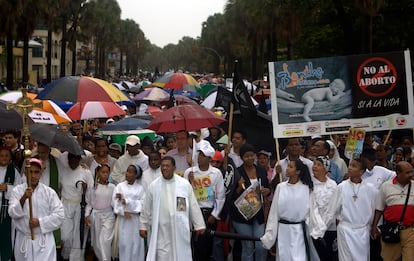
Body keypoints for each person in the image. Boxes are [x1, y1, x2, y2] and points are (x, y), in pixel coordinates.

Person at [139, 156, 206, 261]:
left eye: (167, 166)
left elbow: (193, 204)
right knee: (162, 255)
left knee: (181, 255)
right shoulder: (154, 185)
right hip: (162, 230)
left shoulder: (184, 184)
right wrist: (143, 225)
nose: (164, 168)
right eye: (163, 166)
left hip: (180, 227)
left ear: (174, 168)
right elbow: (146, 207)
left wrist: (199, 224)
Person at [261, 158, 319, 261]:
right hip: (283, 231)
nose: (287, 169)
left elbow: (312, 211)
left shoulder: (306, 189)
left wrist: (317, 228)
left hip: (299, 231)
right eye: (288, 166)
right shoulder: (280, 187)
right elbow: (274, 213)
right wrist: (270, 234)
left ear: (298, 172)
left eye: (291, 167)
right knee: (284, 257)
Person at [8, 158, 64, 261]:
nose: (33, 175)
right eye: (30, 172)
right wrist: (24, 198)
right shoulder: (17, 191)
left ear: (41, 173)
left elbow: (59, 215)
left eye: (36, 172)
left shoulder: (49, 192)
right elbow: (12, 212)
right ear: (25, 172)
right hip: (24, 241)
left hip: (43, 243)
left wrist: (40, 222)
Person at [184, 142, 225, 261]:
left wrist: (214, 214)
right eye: (199, 155)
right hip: (194, 211)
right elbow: (184, 193)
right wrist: (190, 181)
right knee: (195, 244)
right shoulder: (189, 172)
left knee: (207, 245)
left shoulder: (216, 173)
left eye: (203, 156)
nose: (200, 158)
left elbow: (220, 197)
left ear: (209, 158)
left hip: (209, 213)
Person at [331, 158, 378, 261]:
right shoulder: (341, 187)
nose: (350, 168)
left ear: (361, 171)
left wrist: (372, 227)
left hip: (362, 230)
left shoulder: (370, 189)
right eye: (350, 165)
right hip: (345, 228)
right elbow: (334, 208)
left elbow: (373, 208)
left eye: (354, 166)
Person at [230, 143, 270, 261]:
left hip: (259, 215)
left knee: (260, 246)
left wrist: (266, 191)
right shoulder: (237, 172)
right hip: (242, 216)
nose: (250, 158)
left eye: (252, 155)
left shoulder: (261, 171)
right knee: (247, 246)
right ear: (242, 158)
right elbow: (231, 196)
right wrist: (238, 187)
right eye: (247, 156)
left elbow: (268, 188)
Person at [371, 161, 414, 261]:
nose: (411, 175)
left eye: (411, 172)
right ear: (398, 173)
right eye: (407, 172)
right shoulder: (386, 186)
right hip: (391, 230)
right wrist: (374, 227)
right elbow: (379, 208)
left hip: (410, 231)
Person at [59, 152, 94, 261]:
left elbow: (91, 192)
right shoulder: (63, 170)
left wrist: (85, 189)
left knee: (78, 235)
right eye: (71, 159)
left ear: (79, 160)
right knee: (65, 235)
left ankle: (76, 258)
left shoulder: (85, 172)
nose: (73, 162)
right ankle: (66, 255)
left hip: (79, 206)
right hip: (65, 204)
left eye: (75, 160)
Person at [112, 164, 146, 261]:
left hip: (135, 220)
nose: (127, 174)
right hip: (123, 220)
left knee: (136, 244)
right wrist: (123, 211)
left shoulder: (140, 188)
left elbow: (142, 203)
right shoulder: (120, 186)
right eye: (127, 171)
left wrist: (128, 202)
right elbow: (115, 203)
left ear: (136, 175)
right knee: (124, 243)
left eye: (131, 172)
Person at [310, 156, 338, 261]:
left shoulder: (332, 185)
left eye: (319, 165)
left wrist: (322, 227)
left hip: (329, 227)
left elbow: (332, 209)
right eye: (314, 164)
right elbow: (311, 207)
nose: (315, 167)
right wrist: (317, 227)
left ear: (325, 168)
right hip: (313, 228)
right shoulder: (309, 183)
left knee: (327, 256)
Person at [85, 164, 115, 261]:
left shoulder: (112, 187)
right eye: (103, 172)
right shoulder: (93, 187)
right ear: (98, 173)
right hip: (96, 215)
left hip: (109, 215)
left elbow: (115, 203)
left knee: (105, 240)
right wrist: (87, 215)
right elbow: (89, 203)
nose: (105, 174)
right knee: (97, 242)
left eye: (107, 172)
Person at [0, 146, 22, 261]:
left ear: (10, 157)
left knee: (6, 237)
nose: (4, 158)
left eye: (6, 155)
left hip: (6, 211)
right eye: (1, 155)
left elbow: (19, 190)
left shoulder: (14, 171)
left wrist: (7, 188)